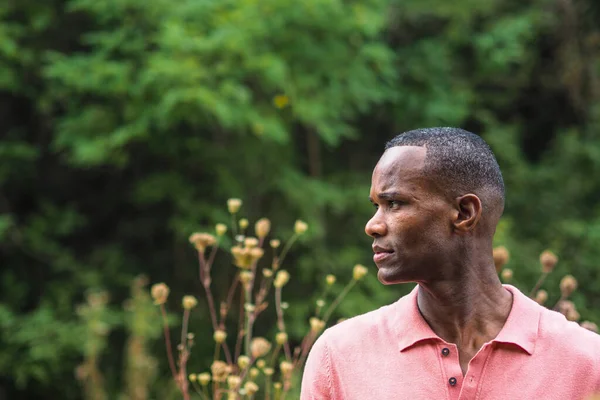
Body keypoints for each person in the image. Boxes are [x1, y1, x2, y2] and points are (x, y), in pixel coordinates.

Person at [300, 127, 600, 399]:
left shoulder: (586, 363)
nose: (373, 225)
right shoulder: (339, 357)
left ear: (464, 212)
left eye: (394, 204)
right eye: (376, 206)